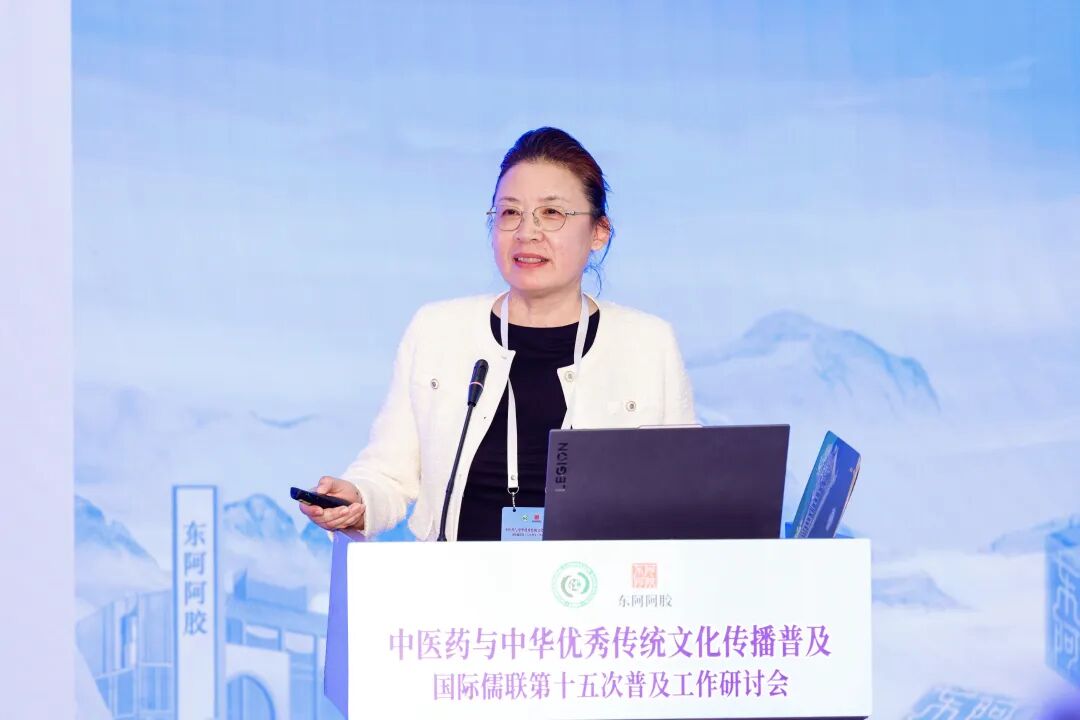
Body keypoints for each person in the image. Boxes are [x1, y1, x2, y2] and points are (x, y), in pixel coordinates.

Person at [299, 127, 696, 541]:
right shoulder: (438, 331)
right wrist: (358, 499)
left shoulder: (648, 344)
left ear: (599, 232)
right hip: (459, 579)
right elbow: (388, 474)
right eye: (510, 213)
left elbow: (686, 491)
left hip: (594, 580)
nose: (527, 232)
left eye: (551, 213)